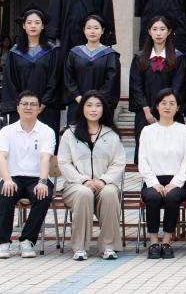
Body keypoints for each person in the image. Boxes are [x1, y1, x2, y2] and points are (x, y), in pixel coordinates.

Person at [57, 91, 126, 260]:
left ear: (103, 109)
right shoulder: (70, 133)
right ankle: (80, 247)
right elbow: (64, 162)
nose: (93, 109)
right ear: (82, 108)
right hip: (76, 185)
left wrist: (104, 180)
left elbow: (118, 163)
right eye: (89, 105)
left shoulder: (111, 135)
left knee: (110, 193)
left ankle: (108, 246)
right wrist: (83, 180)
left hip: (104, 184)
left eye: (97, 105)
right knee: (84, 193)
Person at [0, 91, 55, 259]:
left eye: (33, 104)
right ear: (18, 107)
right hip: (13, 177)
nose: (29, 107)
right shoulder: (7, 131)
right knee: (7, 193)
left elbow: (45, 158)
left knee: (44, 196)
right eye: (25, 104)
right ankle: (3, 242)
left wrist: (42, 182)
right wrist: (7, 179)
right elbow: (0, 157)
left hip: (37, 178)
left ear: (39, 108)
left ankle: (27, 240)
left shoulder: (47, 131)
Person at [137, 88, 186, 259]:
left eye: (172, 103)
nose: (167, 107)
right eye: (163, 103)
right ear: (157, 106)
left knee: (172, 197)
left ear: (178, 107)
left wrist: (174, 183)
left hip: (177, 182)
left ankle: (167, 241)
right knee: (152, 197)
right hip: (153, 181)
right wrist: (154, 183)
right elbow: (142, 160)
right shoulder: (147, 131)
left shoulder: (184, 130)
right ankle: (154, 241)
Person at [128, 16, 186, 163]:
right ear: (149, 32)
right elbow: (136, 85)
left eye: (162, 29)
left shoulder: (178, 58)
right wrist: (146, 109)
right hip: (145, 114)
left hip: (170, 112)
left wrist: (167, 109)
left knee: (172, 152)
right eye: (155, 29)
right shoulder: (140, 57)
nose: (158, 33)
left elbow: (178, 85)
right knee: (146, 153)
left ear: (169, 31)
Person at [2, 6, 61, 142]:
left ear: (43, 26)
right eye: (29, 22)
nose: (33, 26)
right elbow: (10, 80)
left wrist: (43, 103)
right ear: (24, 26)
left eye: (37, 22)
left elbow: (55, 79)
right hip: (22, 108)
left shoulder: (52, 51)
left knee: (46, 143)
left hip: (46, 108)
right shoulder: (15, 52)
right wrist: (21, 104)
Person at [62, 14, 120, 127]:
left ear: (102, 31)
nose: (92, 31)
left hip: (101, 104)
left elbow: (111, 81)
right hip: (77, 103)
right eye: (89, 28)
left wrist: (96, 100)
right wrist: (78, 97)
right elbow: (68, 78)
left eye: (96, 28)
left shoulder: (110, 54)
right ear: (84, 30)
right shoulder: (74, 53)